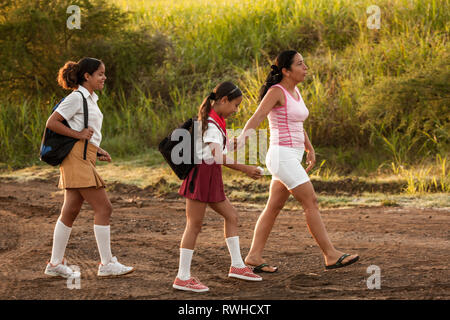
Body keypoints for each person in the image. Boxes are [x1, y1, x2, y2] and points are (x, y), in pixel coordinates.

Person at [236, 50, 359, 273]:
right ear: (286, 70)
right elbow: (257, 117)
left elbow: (298, 124)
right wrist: (241, 140)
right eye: (300, 64)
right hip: (281, 156)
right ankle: (330, 255)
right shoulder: (276, 91)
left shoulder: (296, 91)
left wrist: (309, 148)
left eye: (304, 64)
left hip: (292, 155)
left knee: (273, 207)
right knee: (310, 200)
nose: (305, 68)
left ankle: (253, 256)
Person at [44, 57, 134, 278]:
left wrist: (97, 149)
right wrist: (78, 136)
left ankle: (55, 264)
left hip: (84, 156)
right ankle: (106, 264)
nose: (104, 77)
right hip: (76, 159)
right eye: (100, 74)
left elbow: (86, 130)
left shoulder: (92, 99)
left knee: (71, 210)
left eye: (104, 73)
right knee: (104, 208)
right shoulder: (76, 98)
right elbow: (52, 122)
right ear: (87, 76)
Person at [173, 82, 263, 293]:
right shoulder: (212, 124)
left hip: (210, 176)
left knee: (232, 216)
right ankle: (182, 277)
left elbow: (214, 149)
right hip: (202, 177)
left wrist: (230, 143)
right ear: (223, 101)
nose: (236, 110)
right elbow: (215, 156)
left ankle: (238, 266)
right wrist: (244, 168)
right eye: (235, 105)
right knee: (194, 225)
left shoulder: (215, 121)